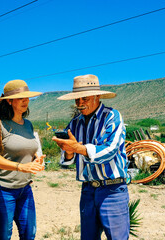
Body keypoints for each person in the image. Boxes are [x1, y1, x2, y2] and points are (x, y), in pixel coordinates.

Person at [52, 74, 130, 240]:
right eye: (77, 100)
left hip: (112, 190)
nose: (80, 104)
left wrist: (79, 148)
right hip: (88, 190)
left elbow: (110, 150)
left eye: (84, 99)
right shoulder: (74, 123)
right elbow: (68, 161)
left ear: (97, 96)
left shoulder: (112, 116)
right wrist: (68, 151)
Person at [0, 79, 45, 240]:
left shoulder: (28, 125)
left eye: (27, 97)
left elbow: (29, 150)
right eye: (20, 98)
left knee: (29, 234)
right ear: (9, 101)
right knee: (4, 236)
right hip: (1, 189)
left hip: (24, 188)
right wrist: (20, 167)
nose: (26, 101)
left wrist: (37, 159)